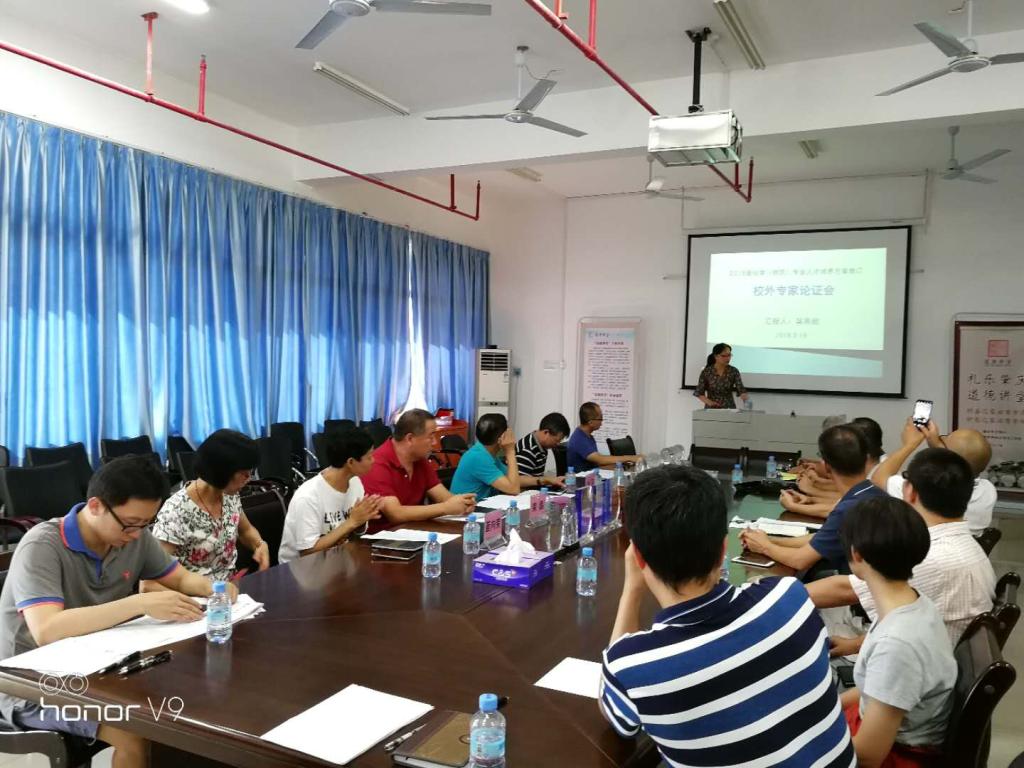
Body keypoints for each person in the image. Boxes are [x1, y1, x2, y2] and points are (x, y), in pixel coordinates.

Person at [599, 465, 854, 767]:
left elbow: (617, 718)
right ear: (723, 549)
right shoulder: (789, 596)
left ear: (639, 559)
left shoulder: (633, 665)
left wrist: (632, 589)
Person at [0, 457, 237, 768]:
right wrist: (139, 603)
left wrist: (214, 587)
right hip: (33, 686)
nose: (137, 534)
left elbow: (179, 578)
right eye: (130, 524)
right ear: (96, 506)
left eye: (145, 524)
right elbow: (47, 629)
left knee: (185, 704)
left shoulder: (132, 536)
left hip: (99, 669)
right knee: (137, 728)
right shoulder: (42, 546)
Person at [809, 446, 995, 655]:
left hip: (914, 665)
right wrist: (855, 644)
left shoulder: (932, 557)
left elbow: (846, 590)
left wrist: (779, 595)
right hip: (926, 653)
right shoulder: (964, 545)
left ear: (909, 491)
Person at [838, 496, 956, 767]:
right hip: (880, 731)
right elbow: (874, 690)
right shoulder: (914, 604)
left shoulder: (897, 644)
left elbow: (868, 756)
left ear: (856, 554)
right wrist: (826, 707)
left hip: (893, 756)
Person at [742, 424, 887, 575]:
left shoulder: (849, 509)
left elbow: (799, 560)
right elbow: (821, 538)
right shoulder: (874, 493)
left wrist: (764, 547)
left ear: (827, 466)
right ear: (866, 459)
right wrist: (769, 540)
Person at [147, 429, 268, 584]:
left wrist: (259, 544)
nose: (249, 479)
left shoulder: (229, 495)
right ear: (223, 471)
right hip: (193, 594)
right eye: (245, 473)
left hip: (229, 589)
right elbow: (153, 581)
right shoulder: (176, 512)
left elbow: (245, 530)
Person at [872, 418, 996, 535]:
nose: (941, 438)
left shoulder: (926, 491)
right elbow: (954, 465)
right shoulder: (988, 490)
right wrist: (937, 445)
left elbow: (879, 478)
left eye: (944, 439)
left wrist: (909, 444)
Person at [278, 429, 384, 563]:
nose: (373, 461)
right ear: (351, 462)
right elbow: (308, 551)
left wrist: (362, 519)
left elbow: (354, 534)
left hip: (337, 561)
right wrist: (352, 522)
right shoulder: (308, 497)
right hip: (301, 570)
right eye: (369, 457)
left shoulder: (355, 482)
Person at [361, 408, 475, 530]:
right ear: (410, 439)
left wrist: (463, 503)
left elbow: (443, 497)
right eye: (431, 436)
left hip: (415, 531)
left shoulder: (419, 460)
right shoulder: (377, 463)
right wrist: (446, 508)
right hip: (382, 537)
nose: (434, 442)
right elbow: (396, 514)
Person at [782, 417, 885, 519]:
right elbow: (842, 501)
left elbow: (841, 508)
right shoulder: (874, 471)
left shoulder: (880, 476)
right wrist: (810, 498)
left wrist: (808, 493)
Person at [450, 413, 521, 501]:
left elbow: (512, 479)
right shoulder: (478, 457)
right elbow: (514, 489)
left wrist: (537, 480)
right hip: (467, 508)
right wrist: (510, 451)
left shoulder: (484, 451)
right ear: (502, 437)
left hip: (480, 506)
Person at [565, 402, 642, 471]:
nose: (602, 422)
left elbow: (597, 462)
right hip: (581, 479)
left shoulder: (587, 435)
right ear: (590, 422)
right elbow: (600, 460)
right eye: (600, 418)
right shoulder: (579, 439)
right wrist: (630, 458)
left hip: (593, 474)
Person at [513, 412, 569, 489]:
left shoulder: (541, 445)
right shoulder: (528, 449)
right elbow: (519, 480)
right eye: (556, 440)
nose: (558, 444)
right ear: (546, 432)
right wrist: (545, 480)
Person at [694, 342, 749, 409]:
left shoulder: (733, 371)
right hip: (711, 409)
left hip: (729, 409)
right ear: (716, 356)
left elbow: (741, 390)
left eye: (729, 355)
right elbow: (699, 393)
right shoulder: (706, 372)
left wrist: (747, 401)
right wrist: (711, 403)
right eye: (724, 356)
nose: (727, 358)